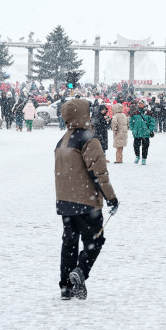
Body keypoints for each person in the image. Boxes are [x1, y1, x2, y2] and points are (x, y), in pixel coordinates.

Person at [55, 98, 119, 300]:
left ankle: (66, 286)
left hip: (65, 201)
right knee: (95, 240)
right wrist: (111, 197)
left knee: (69, 243)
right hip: (85, 200)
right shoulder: (88, 139)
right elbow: (99, 173)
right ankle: (80, 271)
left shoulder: (63, 139)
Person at [129, 100, 156, 164]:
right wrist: (133, 129)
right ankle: (137, 156)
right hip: (137, 132)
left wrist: (150, 130)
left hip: (145, 132)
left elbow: (152, 122)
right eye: (139, 103)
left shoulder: (149, 113)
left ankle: (144, 158)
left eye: (141, 103)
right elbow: (131, 122)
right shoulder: (135, 112)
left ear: (144, 104)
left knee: (145, 146)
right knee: (136, 145)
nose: (139, 105)